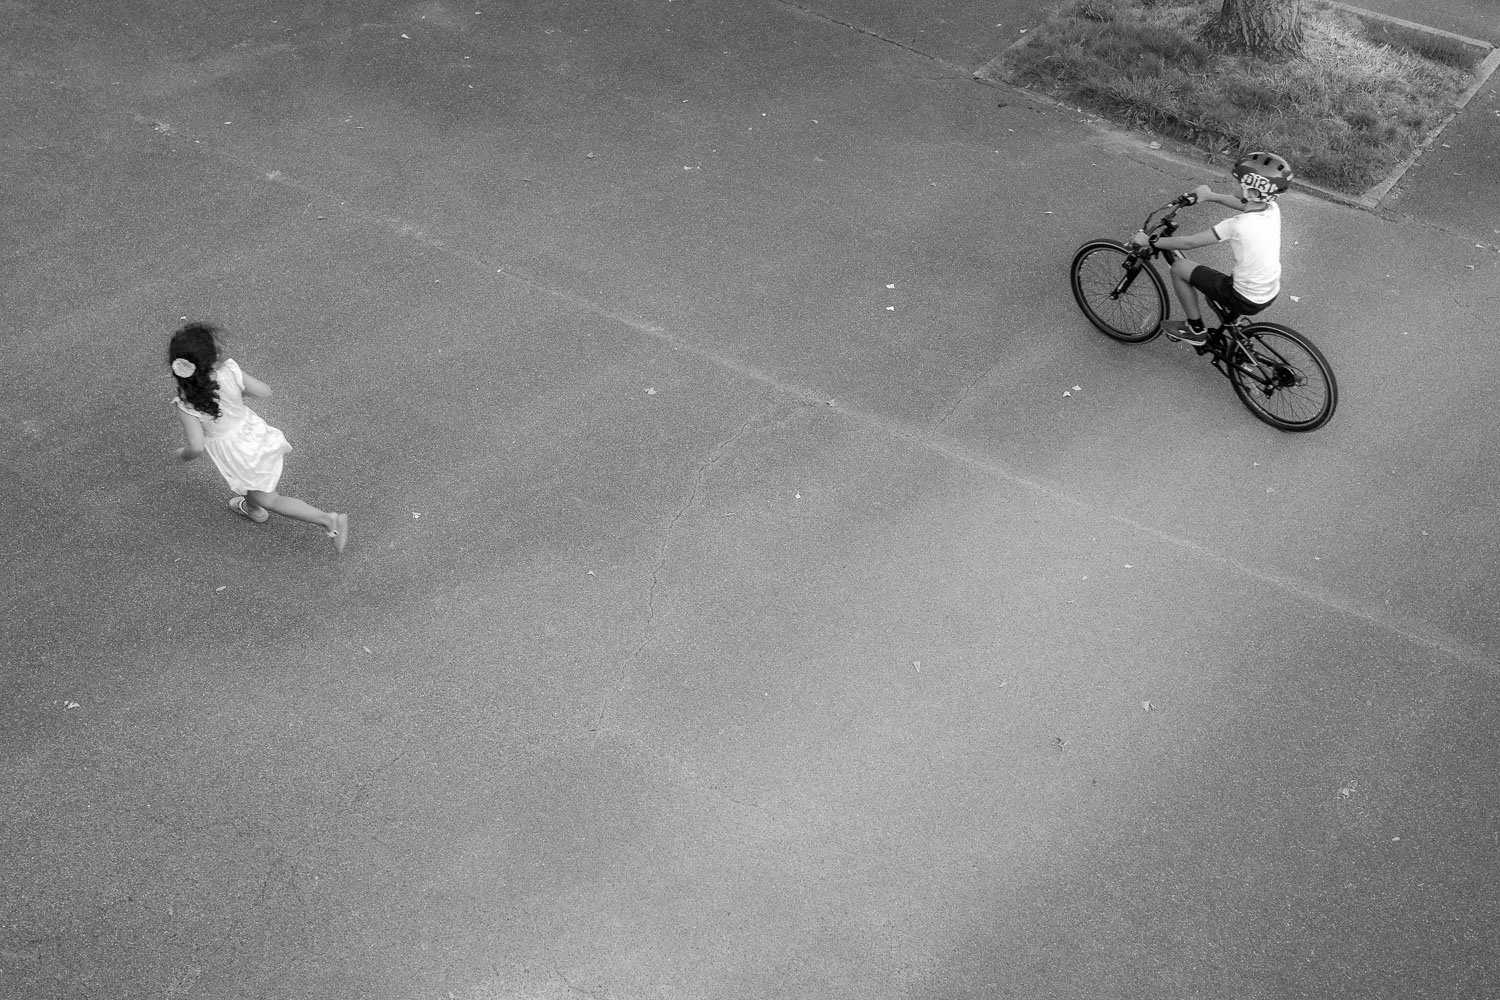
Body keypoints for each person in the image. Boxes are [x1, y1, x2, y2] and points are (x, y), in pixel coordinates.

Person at [168, 322, 349, 553]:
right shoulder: (229, 371)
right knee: (252, 486)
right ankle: (253, 508)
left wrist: (182, 455)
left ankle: (328, 519)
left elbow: (196, 446)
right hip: (255, 435)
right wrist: (236, 392)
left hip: (239, 454)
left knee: (271, 499)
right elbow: (264, 391)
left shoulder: (186, 404)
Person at [1131, 151, 1293, 347]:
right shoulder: (1271, 208)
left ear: (1252, 193)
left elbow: (1190, 242)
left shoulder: (1238, 225)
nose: (1234, 184)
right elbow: (1243, 204)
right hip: (1269, 290)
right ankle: (1232, 320)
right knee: (1212, 292)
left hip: (1244, 297)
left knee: (1180, 268)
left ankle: (1195, 330)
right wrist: (1210, 196)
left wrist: (1150, 241)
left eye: (1239, 182)